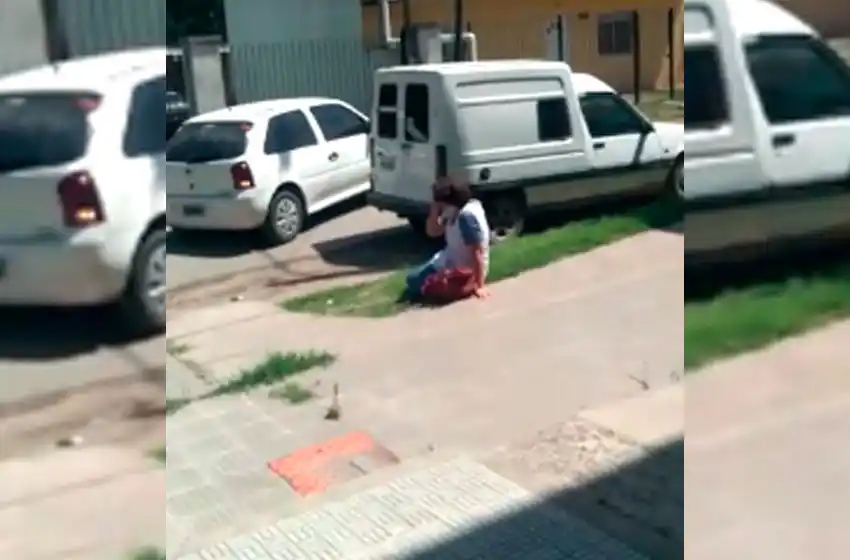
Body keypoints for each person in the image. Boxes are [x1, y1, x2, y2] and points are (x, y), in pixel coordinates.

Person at [405, 178, 491, 300]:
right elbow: (432, 232)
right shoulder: (454, 210)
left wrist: (479, 285)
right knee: (412, 279)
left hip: (461, 269)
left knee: (413, 282)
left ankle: (461, 285)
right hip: (448, 259)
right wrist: (434, 210)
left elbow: (477, 251)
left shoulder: (466, 217)